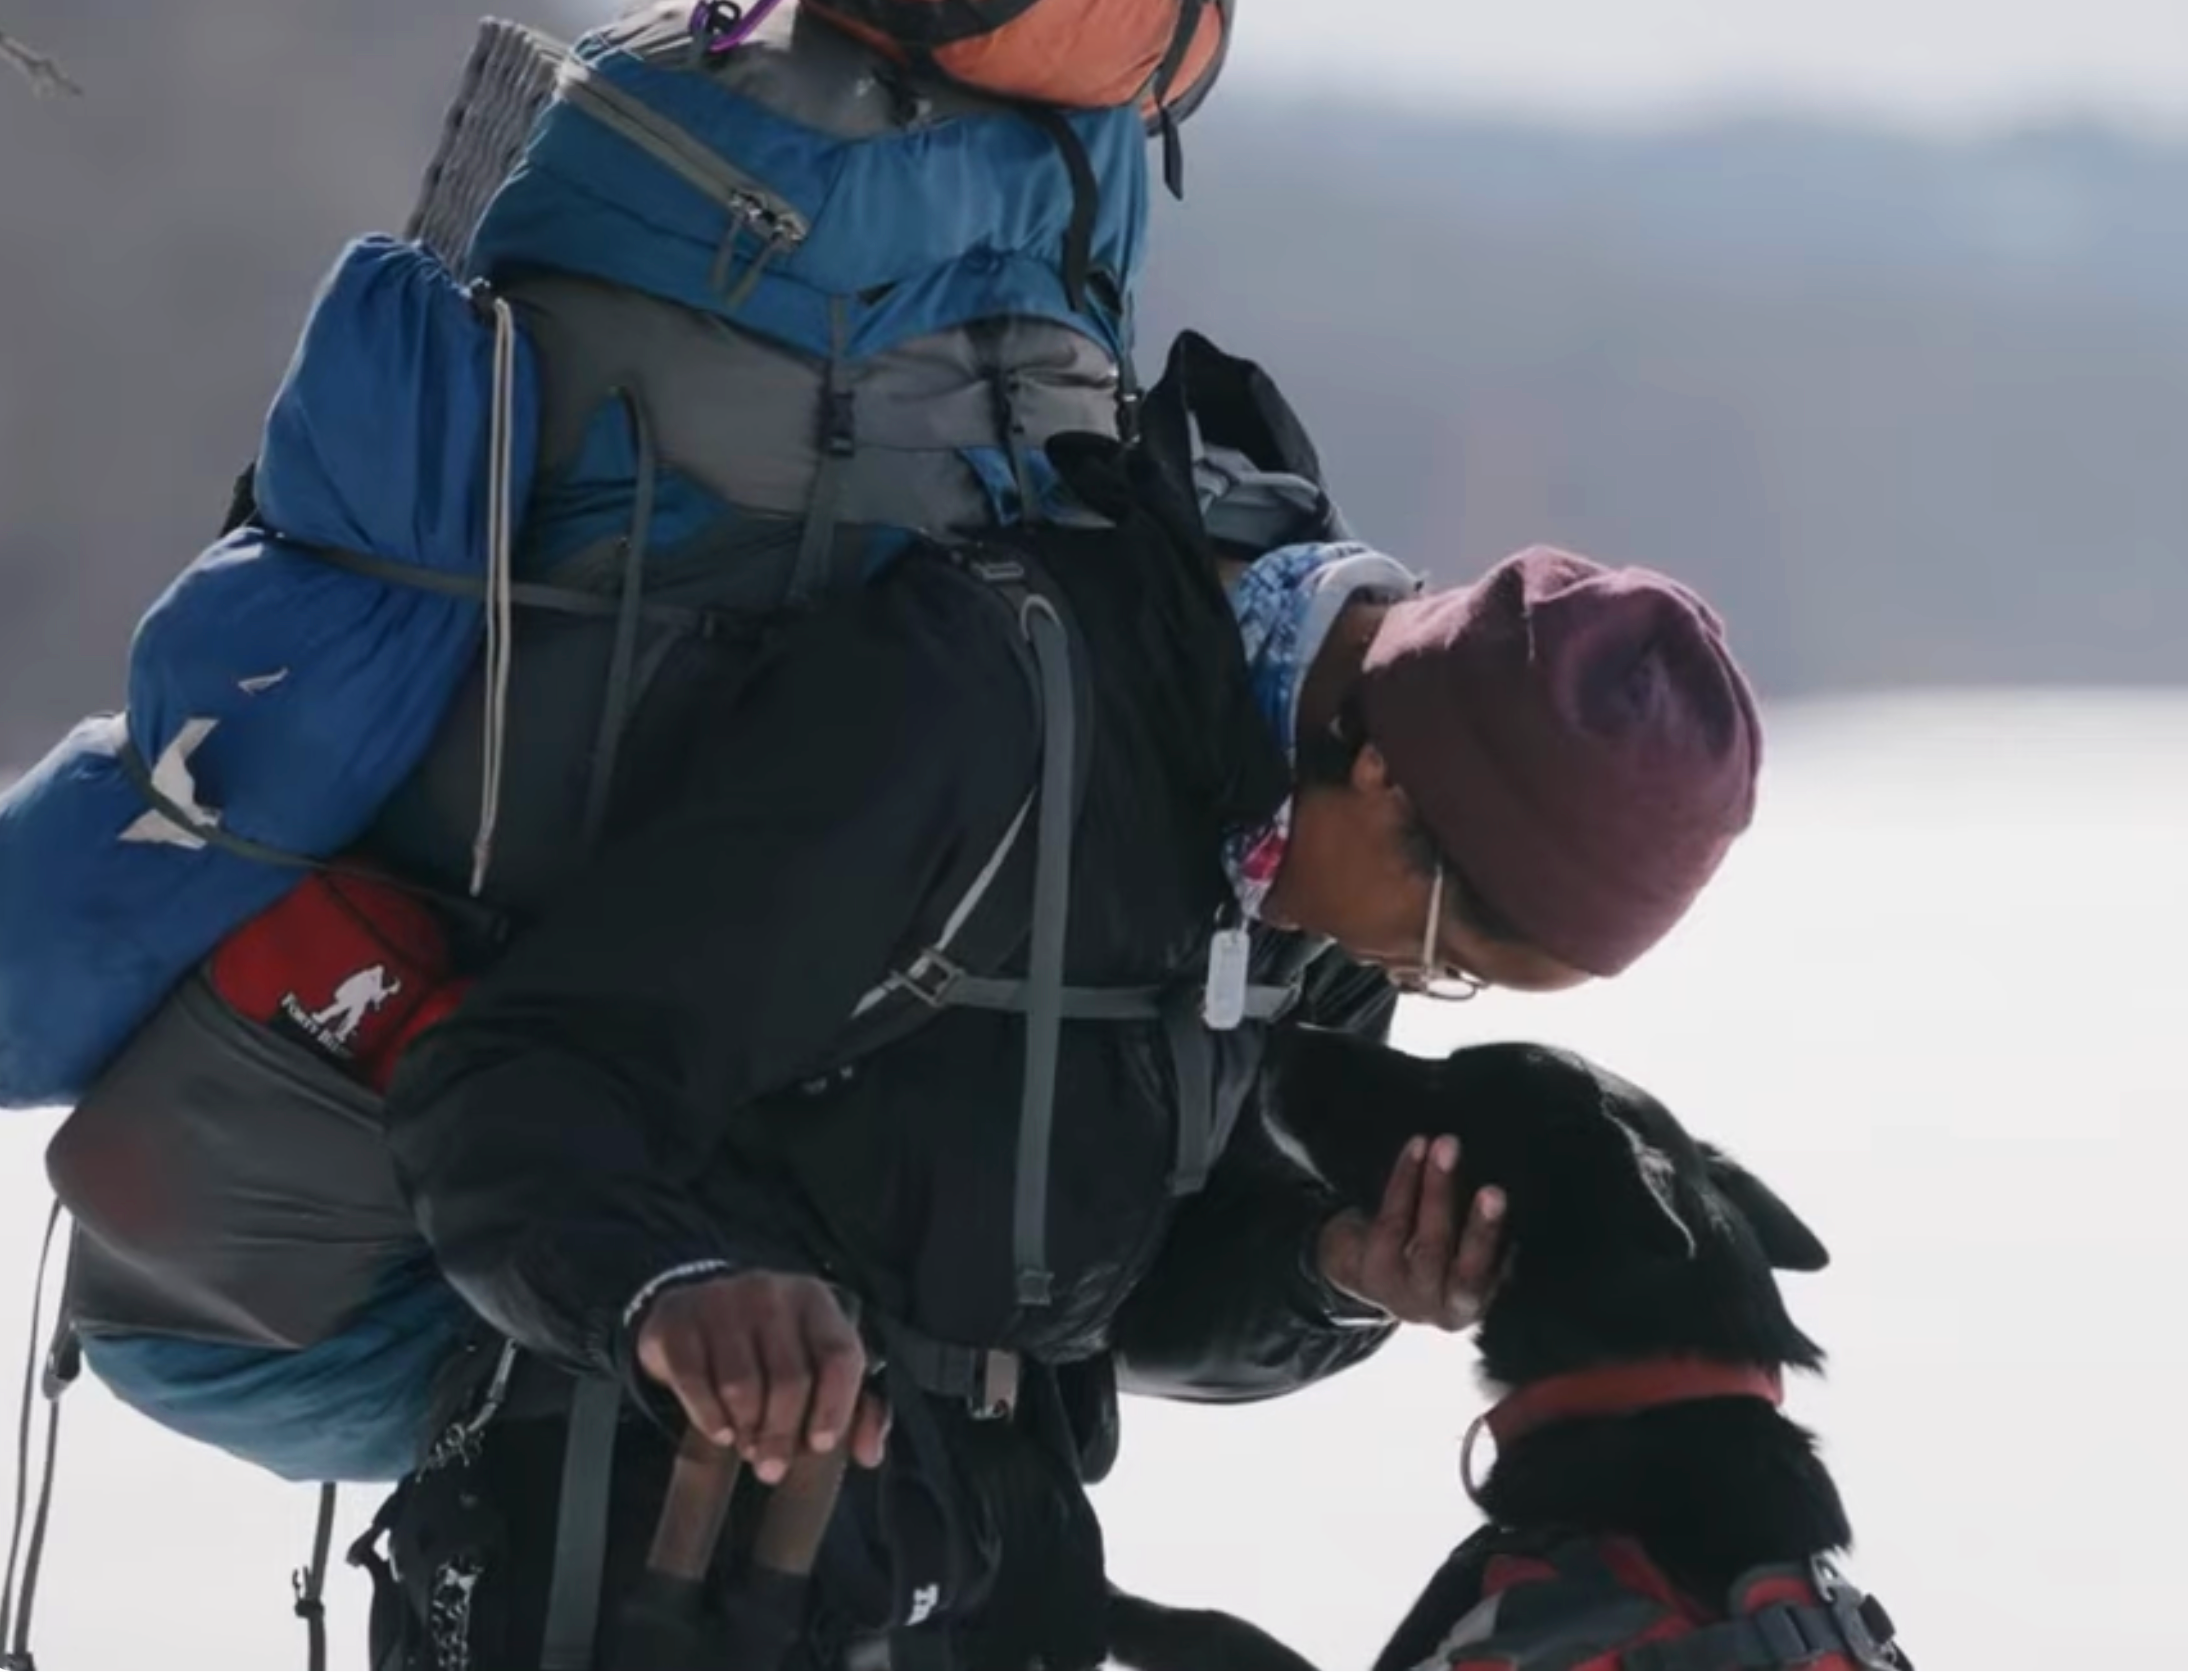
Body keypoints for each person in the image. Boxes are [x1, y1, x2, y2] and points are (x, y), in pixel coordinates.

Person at [370, 345, 1764, 1668]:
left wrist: (1333, 1270)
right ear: (1388, 774)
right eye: (1446, 947)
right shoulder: (972, 708)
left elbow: (1123, 1296)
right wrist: (670, 1288)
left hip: (979, 1567)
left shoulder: (1316, 871)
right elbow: (513, 1076)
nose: (1408, 980)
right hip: (647, 1560)